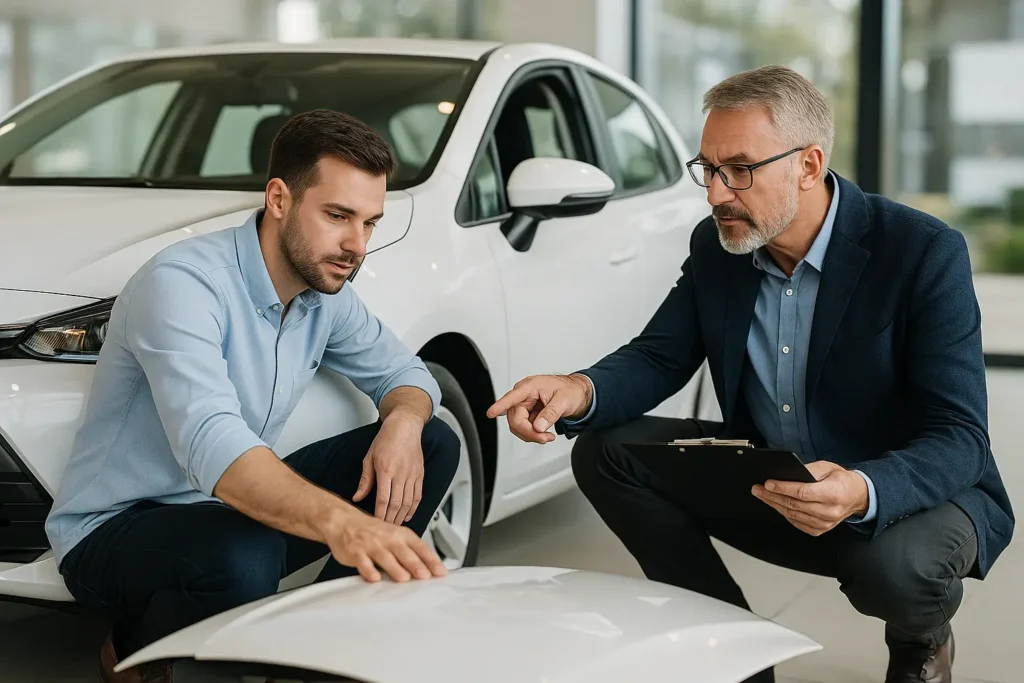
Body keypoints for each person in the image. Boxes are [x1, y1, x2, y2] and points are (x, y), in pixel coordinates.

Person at [488, 65, 1013, 683]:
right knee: (606, 453)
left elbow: (959, 436)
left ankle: (920, 638)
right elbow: (659, 356)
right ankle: (731, 649)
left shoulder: (922, 250)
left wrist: (860, 489)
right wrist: (578, 389)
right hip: (774, 479)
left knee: (898, 573)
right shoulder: (719, 245)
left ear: (808, 166)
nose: (715, 194)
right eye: (708, 169)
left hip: (896, 497)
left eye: (739, 170)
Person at [45, 110, 460, 683]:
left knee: (435, 442)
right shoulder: (184, 283)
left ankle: (318, 657)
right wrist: (345, 524)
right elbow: (214, 445)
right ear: (279, 198)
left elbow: (408, 374)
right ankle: (135, 655)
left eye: (369, 223)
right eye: (338, 216)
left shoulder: (324, 290)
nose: (356, 245)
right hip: (115, 529)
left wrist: (403, 424)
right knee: (245, 553)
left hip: (229, 511)